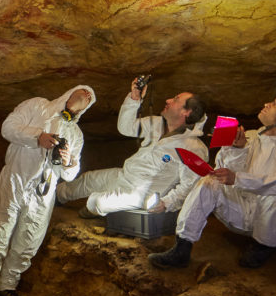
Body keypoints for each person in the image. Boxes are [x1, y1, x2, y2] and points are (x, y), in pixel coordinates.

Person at [149, 88, 276, 269]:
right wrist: (236, 150)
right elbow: (225, 171)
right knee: (210, 181)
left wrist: (239, 179)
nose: (266, 104)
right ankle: (182, 248)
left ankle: (262, 247)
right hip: (240, 211)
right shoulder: (252, 136)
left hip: (272, 220)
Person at [0, 86, 96, 296]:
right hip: (15, 180)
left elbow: (70, 174)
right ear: (68, 92)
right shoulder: (38, 105)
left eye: (89, 98)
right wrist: (37, 137)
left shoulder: (76, 134)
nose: (85, 96)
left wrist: (67, 162)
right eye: (82, 91)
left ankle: (6, 285)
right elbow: (8, 127)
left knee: (28, 241)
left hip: (44, 192)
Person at [57, 79, 208, 218]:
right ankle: (53, 196)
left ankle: (92, 210)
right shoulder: (156, 123)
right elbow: (126, 127)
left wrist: (167, 203)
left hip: (142, 194)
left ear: (186, 112)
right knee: (87, 179)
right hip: (125, 175)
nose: (168, 100)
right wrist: (134, 99)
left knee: (98, 202)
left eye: (175, 100)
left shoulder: (193, 148)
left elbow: (190, 184)